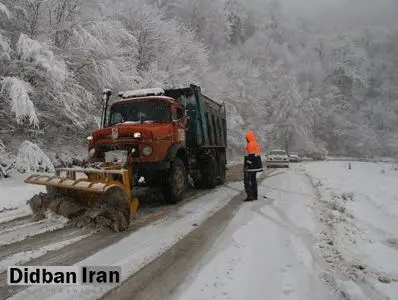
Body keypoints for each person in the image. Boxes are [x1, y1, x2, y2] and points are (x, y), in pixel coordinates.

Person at [243, 130, 263, 201]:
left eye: (246, 138)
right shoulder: (256, 144)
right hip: (255, 167)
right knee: (253, 180)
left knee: (246, 181)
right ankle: (255, 195)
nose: (246, 139)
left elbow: (251, 156)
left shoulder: (250, 144)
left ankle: (250, 196)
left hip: (250, 167)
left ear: (248, 138)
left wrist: (247, 164)